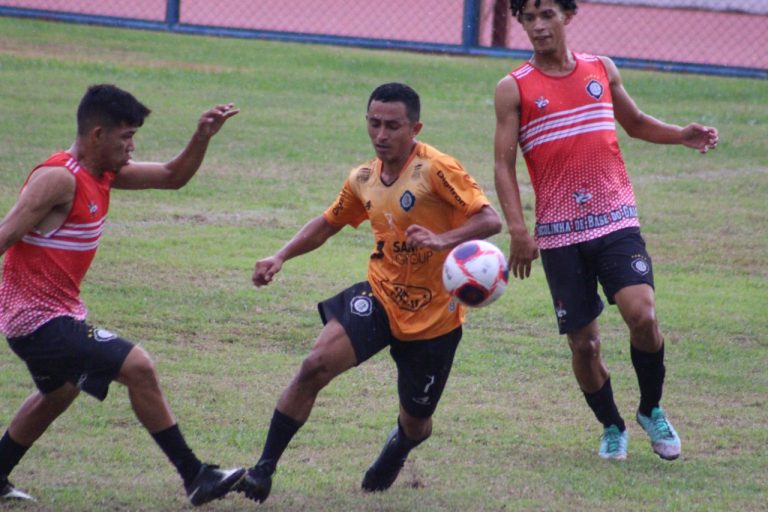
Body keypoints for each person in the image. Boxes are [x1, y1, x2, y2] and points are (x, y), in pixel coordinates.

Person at [237, 82, 502, 503]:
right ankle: (263, 469)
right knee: (314, 365)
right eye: (374, 124)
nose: (381, 135)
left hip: (434, 319)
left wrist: (440, 240)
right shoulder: (363, 178)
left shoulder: (437, 169)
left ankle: (399, 445)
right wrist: (281, 255)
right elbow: (328, 222)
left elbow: (489, 221)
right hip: (380, 295)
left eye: (393, 126)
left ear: (414, 127)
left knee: (417, 423)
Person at [494, 0, 719, 460]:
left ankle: (651, 409)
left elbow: (634, 124)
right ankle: (612, 424)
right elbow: (502, 162)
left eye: (547, 15)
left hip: (615, 220)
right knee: (585, 344)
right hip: (559, 234)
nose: (538, 26)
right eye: (528, 17)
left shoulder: (601, 69)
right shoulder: (513, 89)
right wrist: (519, 230)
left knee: (643, 315)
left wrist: (681, 134)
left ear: (568, 16)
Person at [0, 84, 245, 505]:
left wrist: (201, 136)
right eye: (126, 137)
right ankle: (196, 475)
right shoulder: (58, 179)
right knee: (139, 367)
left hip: (57, 316)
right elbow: (4, 234)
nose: (132, 147)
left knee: (58, 394)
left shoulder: (104, 174)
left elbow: (173, 176)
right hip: (34, 321)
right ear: (97, 135)